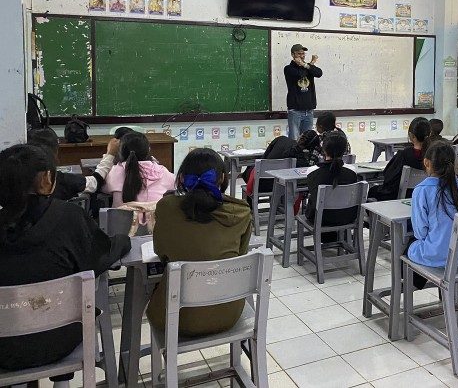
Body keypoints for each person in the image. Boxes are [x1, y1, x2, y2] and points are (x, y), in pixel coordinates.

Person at [0, 144, 130, 373]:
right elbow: (100, 256)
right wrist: (123, 240)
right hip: (59, 339)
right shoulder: (68, 217)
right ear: (46, 179)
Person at [146, 149, 253, 336]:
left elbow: (161, 252)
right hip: (228, 312)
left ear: (181, 179)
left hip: (175, 317)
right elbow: (240, 255)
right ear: (221, 178)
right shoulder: (242, 212)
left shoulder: (166, 208)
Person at [407, 140, 458, 288]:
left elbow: (420, 233)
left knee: (408, 246)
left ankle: (411, 288)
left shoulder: (422, 190)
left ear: (426, 162)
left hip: (437, 256)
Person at [27, 127, 118, 201]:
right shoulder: (60, 180)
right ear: (56, 151)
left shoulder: (17, 177)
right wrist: (110, 154)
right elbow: (95, 183)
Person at [305, 133, 358, 243]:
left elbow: (312, 195)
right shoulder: (352, 171)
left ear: (324, 150)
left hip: (321, 219)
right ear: (344, 151)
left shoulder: (312, 171)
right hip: (347, 216)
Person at [102, 131, 175, 207]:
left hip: (122, 218)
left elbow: (102, 188)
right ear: (148, 150)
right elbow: (177, 184)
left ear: (120, 152)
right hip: (154, 218)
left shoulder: (115, 171)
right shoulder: (161, 172)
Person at [242, 129, 319, 199]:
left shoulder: (281, 139)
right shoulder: (302, 159)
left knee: (251, 168)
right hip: (280, 186)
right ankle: (281, 205)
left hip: (258, 182)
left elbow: (264, 158)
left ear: (300, 136)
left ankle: (251, 208)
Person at [368, 117, 430, 201]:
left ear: (411, 135)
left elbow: (389, 178)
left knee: (372, 191)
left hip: (402, 196)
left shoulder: (404, 154)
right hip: (425, 196)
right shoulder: (434, 155)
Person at [284, 43, 323, 140]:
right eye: (299, 54)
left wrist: (308, 65)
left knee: (306, 140)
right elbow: (301, 74)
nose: (302, 56)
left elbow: (319, 73)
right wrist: (309, 64)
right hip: (295, 110)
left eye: (303, 54)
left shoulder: (307, 67)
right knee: (294, 139)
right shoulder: (288, 69)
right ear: (293, 55)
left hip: (309, 110)